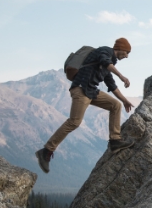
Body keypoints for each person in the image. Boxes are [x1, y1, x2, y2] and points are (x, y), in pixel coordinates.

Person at [35, 37, 135, 174]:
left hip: (91, 91)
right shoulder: (104, 52)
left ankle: (115, 140)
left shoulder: (109, 64)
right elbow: (106, 62)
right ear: (121, 48)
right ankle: (46, 150)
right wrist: (122, 76)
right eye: (127, 52)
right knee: (74, 122)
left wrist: (124, 101)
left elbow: (111, 85)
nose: (127, 56)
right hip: (81, 89)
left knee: (116, 105)